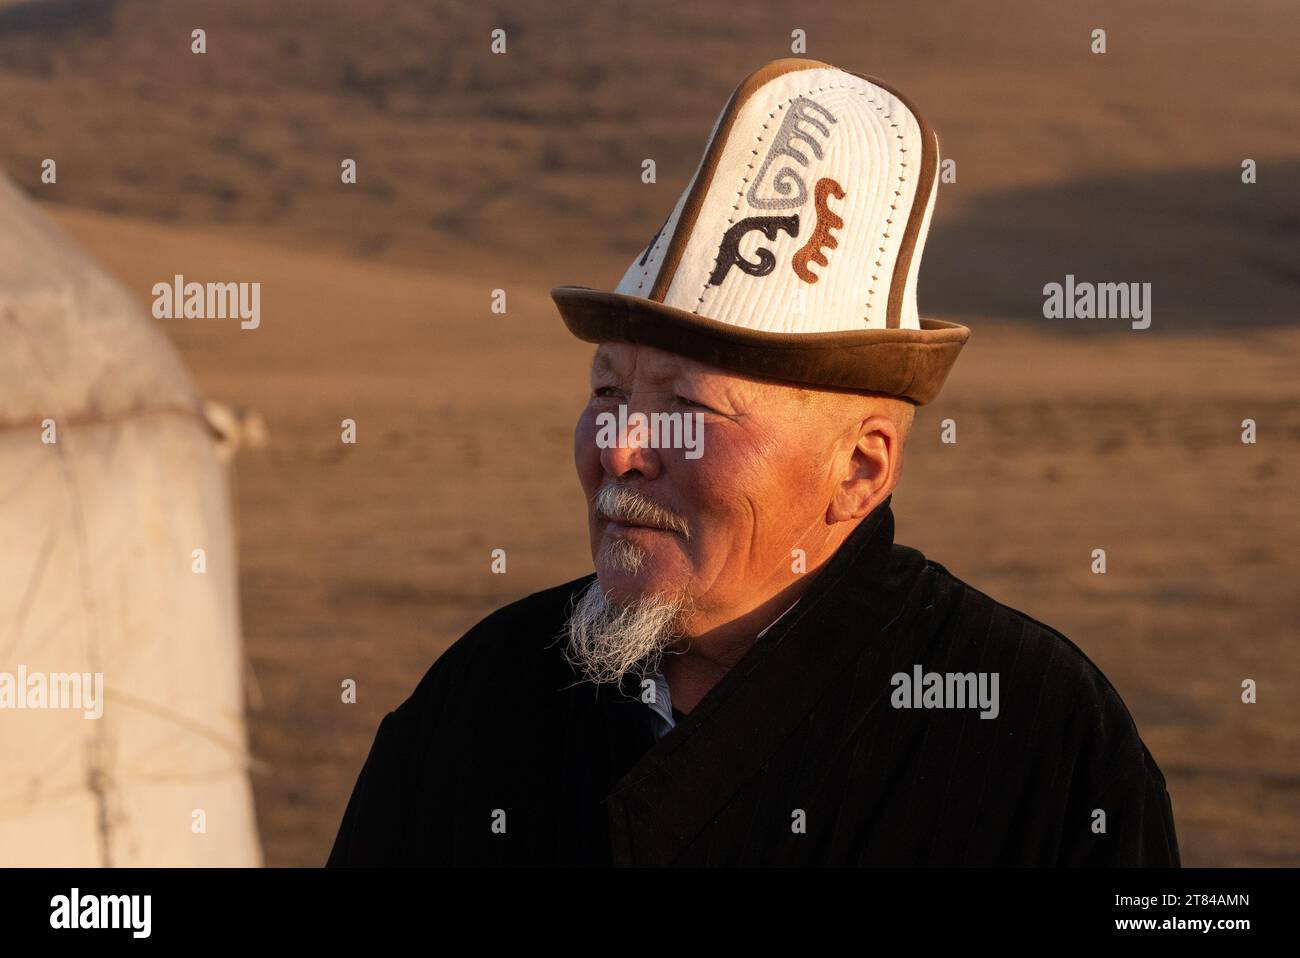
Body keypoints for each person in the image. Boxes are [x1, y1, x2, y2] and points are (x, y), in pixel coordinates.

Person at [327, 57, 1179, 867]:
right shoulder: (482, 699)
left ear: (860, 469)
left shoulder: (1038, 738)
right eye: (607, 393)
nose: (619, 449)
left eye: (689, 408)